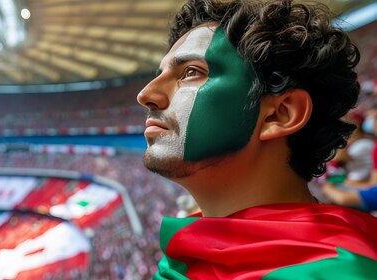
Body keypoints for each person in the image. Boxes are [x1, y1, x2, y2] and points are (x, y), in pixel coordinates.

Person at [136, 0, 377, 278]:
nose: (145, 95)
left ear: (279, 115)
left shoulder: (345, 272)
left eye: (191, 72)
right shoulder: (182, 259)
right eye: (159, 74)